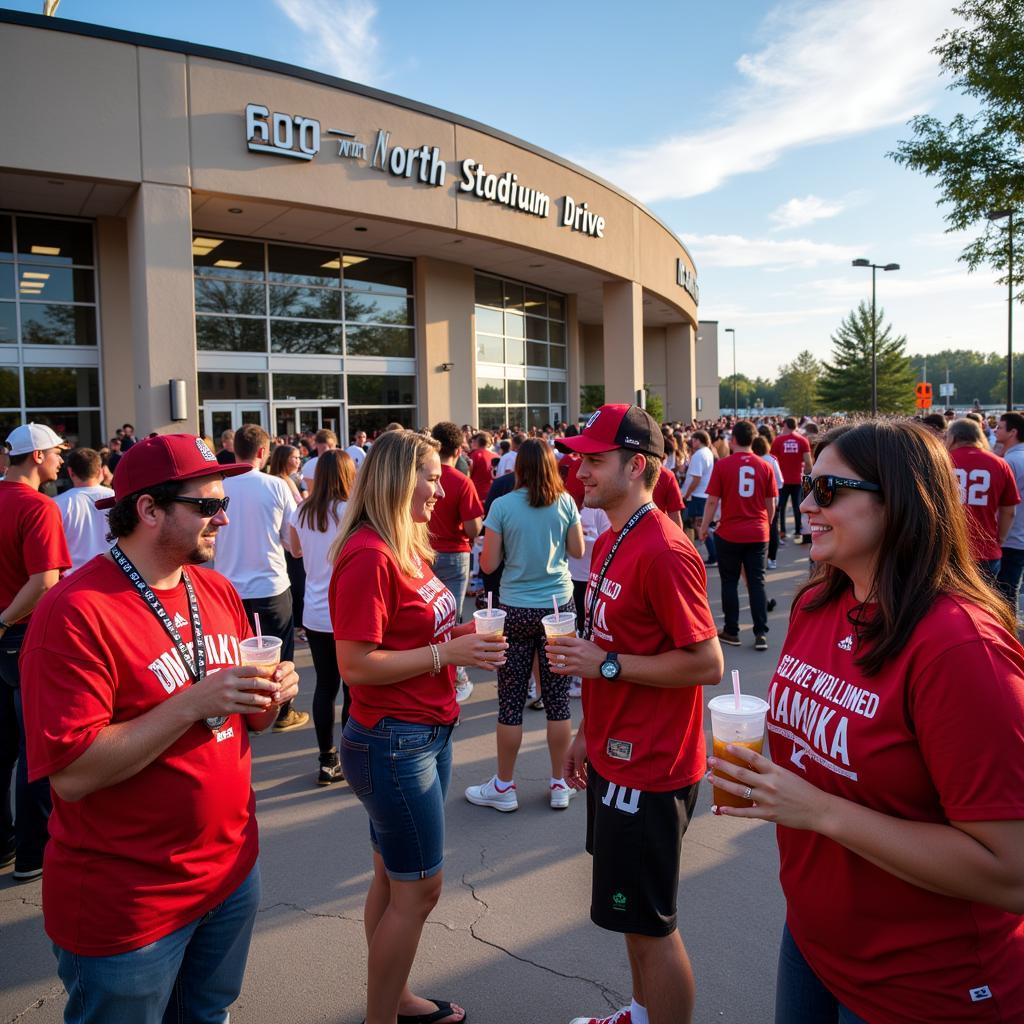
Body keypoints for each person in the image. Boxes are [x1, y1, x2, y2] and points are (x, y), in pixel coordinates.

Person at [709, 420, 1024, 1024]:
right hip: (812, 939)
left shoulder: (959, 649)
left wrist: (817, 810)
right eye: (807, 486)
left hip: (925, 982)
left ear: (898, 501)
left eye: (828, 490)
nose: (804, 504)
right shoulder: (817, 601)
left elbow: (1010, 872)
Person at [20, 433, 298, 1023]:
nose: (223, 517)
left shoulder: (216, 588)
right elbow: (70, 775)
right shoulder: (75, 611)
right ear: (148, 509)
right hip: (129, 902)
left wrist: (271, 696)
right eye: (206, 505)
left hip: (229, 872)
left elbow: (249, 722)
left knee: (208, 1014)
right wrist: (191, 703)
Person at [546, 403, 724, 1024]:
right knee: (630, 916)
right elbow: (604, 648)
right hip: (614, 755)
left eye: (594, 460)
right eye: (578, 457)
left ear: (637, 465)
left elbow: (707, 662)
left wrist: (610, 666)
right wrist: (587, 735)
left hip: (652, 767)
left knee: (653, 925)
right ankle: (640, 1013)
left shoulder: (666, 549)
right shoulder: (610, 538)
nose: (579, 470)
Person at [330, 429, 507, 1024]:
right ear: (398, 479)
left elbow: (415, 633)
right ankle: (382, 1016)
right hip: (393, 740)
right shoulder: (369, 554)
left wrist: (456, 637)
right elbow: (355, 664)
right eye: (432, 476)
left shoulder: (406, 543)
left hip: (423, 732)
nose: (443, 487)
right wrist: (445, 657)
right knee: (419, 891)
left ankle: (395, 997)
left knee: (391, 878)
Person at [465, 439, 584, 812]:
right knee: (558, 701)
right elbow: (578, 550)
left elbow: (487, 565)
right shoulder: (565, 502)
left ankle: (504, 785)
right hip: (557, 607)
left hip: (515, 607)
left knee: (511, 702)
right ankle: (559, 781)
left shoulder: (502, 506)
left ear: (519, 468)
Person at [0, 423, 71, 881]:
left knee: (2, 746)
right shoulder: (38, 507)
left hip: (6, 634)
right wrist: (5, 621)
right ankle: (32, 852)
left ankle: (4, 842)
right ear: (38, 456)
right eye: (57, 453)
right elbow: (45, 580)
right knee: (36, 749)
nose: (62, 460)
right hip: (21, 637)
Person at [214, 425, 306, 731]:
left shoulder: (219, 485)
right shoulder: (277, 486)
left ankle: (243, 711)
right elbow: (292, 539)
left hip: (228, 587)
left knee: (236, 655)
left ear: (234, 450)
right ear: (263, 452)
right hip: (271, 585)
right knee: (279, 654)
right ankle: (282, 712)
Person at [289, 449, 356, 785]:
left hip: (315, 610)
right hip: (348, 609)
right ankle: (348, 756)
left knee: (324, 686)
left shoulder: (302, 510)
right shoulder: (351, 511)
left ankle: (326, 758)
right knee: (352, 687)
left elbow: (295, 550)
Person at [701, 420, 778, 650]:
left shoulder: (723, 465)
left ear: (732, 440)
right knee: (757, 582)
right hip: (757, 532)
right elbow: (770, 503)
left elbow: (713, 501)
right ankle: (760, 632)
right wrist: (767, 523)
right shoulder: (765, 466)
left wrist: (704, 527)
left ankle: (732, 630)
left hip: (730, 532)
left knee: (729, 582)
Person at [428, 421, 485, 704]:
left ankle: (433, 677)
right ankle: (454, 682)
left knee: (426, 622)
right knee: (451, 622)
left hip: (424, 553)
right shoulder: (462, 482)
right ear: (459, 448)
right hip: (454, 555)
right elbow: (474, 529)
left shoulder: (422, 476)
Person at [946, 417, 1019, 582]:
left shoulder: (942, 461)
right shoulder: (1000, 464)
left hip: (950, 549)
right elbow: (1009, 511)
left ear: (953, 437)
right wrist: (1000, 538)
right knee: (984, 603)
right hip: (986, 550)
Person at [54, 447, 115, 572]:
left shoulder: (55, 504)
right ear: (99, 471)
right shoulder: (118, 498)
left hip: (73, 580)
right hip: (115, 574)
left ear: (70, 472)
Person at [269, 444, 307, 638]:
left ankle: (300, 625)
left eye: (299, 457)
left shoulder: (290, 480)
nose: (298, 461)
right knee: (298, 583)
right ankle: (299, 626)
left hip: (295, 540)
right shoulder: (279, 482)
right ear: (283, 459)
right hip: (288, 544)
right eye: (294, 457)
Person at [996, 411, 1024, 612]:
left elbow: (1003, 505)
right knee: (1010, 590)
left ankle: (1007, 637)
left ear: (1013, 432)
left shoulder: (1010, 462)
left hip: (1009, 536)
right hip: (1018, 534)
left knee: (1003, 593)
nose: (995, 430)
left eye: (1000, 427)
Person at [771, 417, 812, 544]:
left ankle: (782, 531)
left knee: (781, 507)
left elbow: (773, 461)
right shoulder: (802, 440)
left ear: (785, 425)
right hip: (797, 478)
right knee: (797, 506)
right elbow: (808, 463)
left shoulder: (778, 441)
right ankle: (798, 530)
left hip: (782, 480)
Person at [681, 430, 716, 564]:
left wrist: (687, 494)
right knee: (701, 525)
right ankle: (713, 553)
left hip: (698, 495)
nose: (692, 442)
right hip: (703, 494)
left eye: (693, 440)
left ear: (698, 440)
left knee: (700, 526)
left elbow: (696, 478)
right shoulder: (707, 452)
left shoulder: (699, 455)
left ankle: (713, 554)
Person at [752, 434, 784, 570]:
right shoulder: (771, 460)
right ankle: (772, 559)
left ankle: (757, 558)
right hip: (771, 500)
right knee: (772, 529)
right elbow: (780, 482)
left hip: (754, 500)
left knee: (757, 529)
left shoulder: (752, 460)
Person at [468, 431, 496, 503]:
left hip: (477, 493)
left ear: (476, 442)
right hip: (492, 493)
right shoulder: (495, 456)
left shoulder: (475, 455)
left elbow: (468, 474)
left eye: (473, 441)